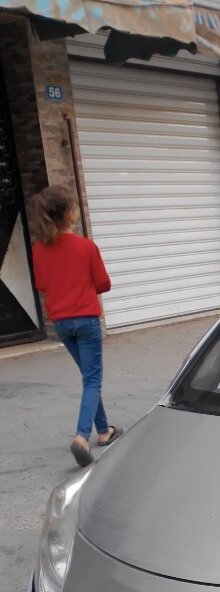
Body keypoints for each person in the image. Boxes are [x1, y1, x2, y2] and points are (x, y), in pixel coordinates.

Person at [30, 185, 121, 468]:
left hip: (61, 322)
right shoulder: (85, 246)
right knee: (92, 379)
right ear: (70, 213)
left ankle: (104, 430)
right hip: (86, 319)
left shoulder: (39, 248)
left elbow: (42, 285)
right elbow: (104, 283)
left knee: (87, 376)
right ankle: (82, 437)